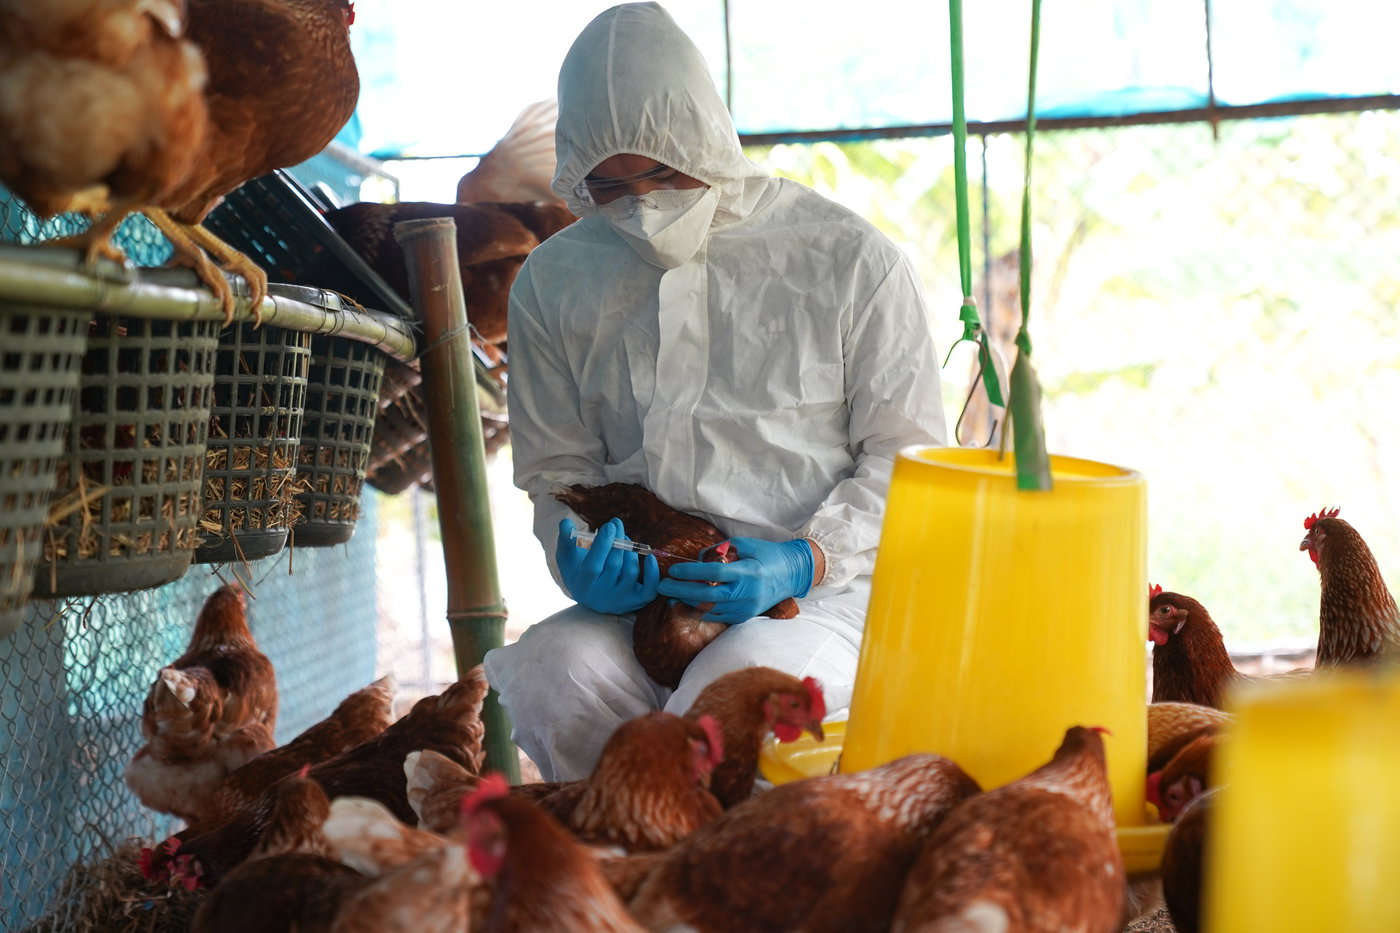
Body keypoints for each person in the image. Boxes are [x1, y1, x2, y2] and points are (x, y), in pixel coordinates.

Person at [482, 1, 948, 782]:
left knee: (727, 699)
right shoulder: (556, 281)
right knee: (555, 670)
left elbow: (911, 452)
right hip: (646, 602)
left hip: (822, 599)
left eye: (662, 171)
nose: (643, 204)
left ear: (705, 140)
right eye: (611, 185)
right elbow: (557, 466)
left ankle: (732, 879)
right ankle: (629, 867)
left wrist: (806, 558)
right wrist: (581, 556)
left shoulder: (846, 259)